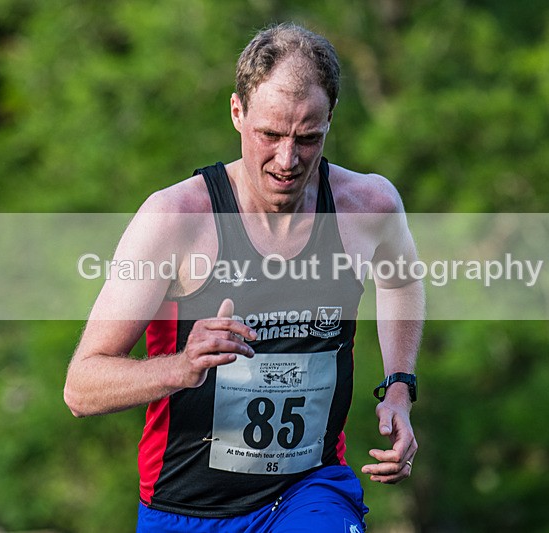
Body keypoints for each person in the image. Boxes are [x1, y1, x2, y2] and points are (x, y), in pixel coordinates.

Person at [64, 22, 424, 533]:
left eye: (308, 138)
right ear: (237, 112)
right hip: (186, 507)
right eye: (270, 135)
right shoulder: (175, 219)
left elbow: (401, 281)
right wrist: (181, 367)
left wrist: (399, 387)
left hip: (309, 488)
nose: (287, 160)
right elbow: (82, 387)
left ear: (330, 119)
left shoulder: (368, 207)